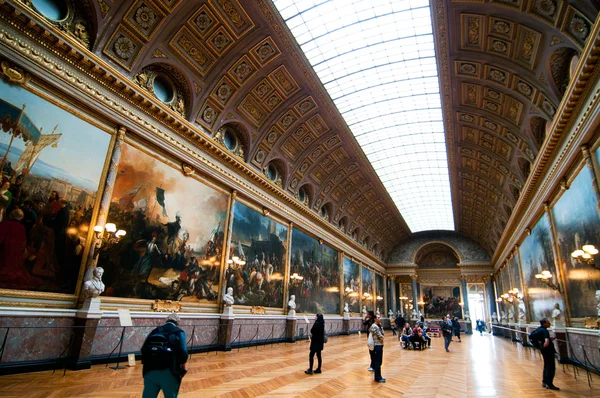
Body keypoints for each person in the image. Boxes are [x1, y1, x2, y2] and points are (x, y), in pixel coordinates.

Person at [141, 312, 188, 398]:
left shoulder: (155, 331)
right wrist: (182, 368)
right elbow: (183, 353)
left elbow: (143, 349)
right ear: (178, 323)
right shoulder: (179, 332)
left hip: (149, 369)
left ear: (166, 320)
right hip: (169, 370)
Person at [530, 318, 559, 391]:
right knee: (551, 367)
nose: (549, 324)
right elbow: (546, 342)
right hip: (548, 351)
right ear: (544, 324)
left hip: (544, 351)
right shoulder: (545, 331)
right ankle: (549, 384)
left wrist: (543, 346)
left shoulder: (539, 329)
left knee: (546, 366)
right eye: (548, 322)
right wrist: (544, 346)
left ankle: (544, 382)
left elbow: (543, 340)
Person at [370, 315, 385, 382]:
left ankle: (379, 376)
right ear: (375, 319)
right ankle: (377, 377)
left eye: (380, 317)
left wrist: (381, 327)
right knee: (377, 362)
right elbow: (380, 336)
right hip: (376, 345)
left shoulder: (378, 326)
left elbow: (383, 333)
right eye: (378, 318)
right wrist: (382, 337)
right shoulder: (374, 326)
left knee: (379, 362)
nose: (380, 319)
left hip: (380, 345)